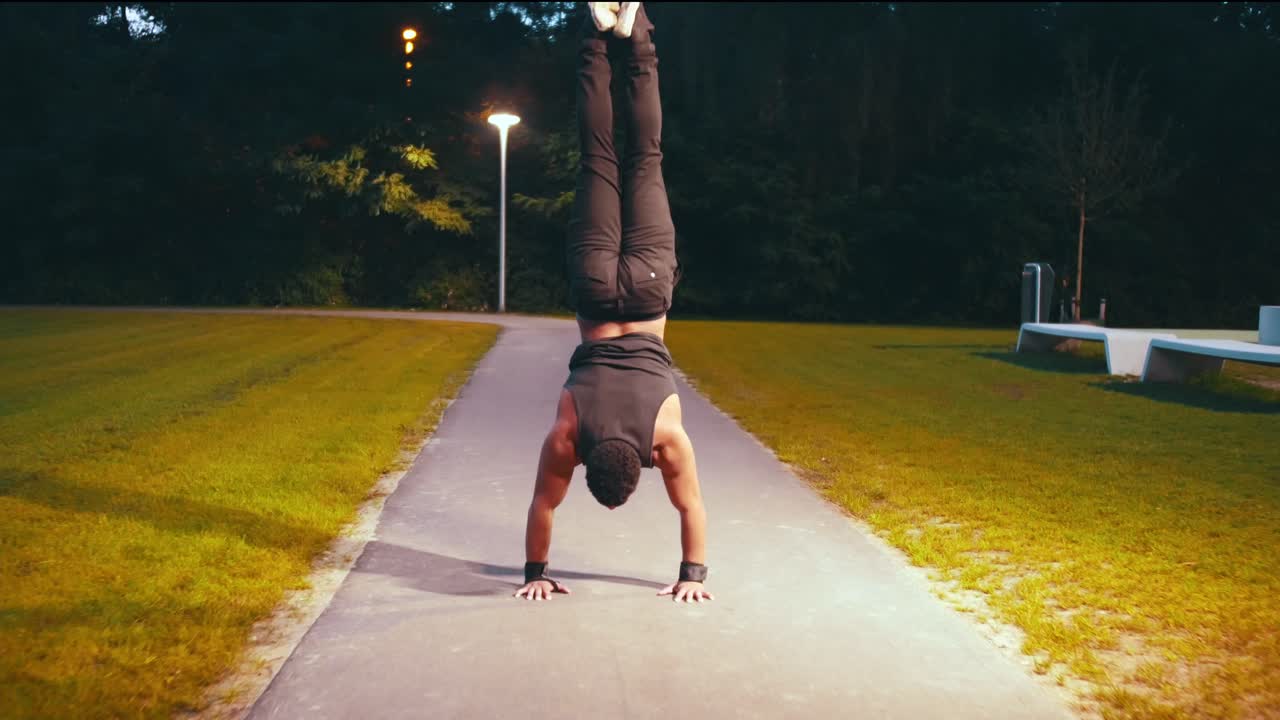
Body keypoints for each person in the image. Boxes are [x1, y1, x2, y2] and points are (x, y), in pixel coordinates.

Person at [514, 2, 713, 604]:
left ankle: (638, 35)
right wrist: (535, 574)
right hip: (597, 290)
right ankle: (600, 32)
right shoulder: (567, 437)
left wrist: (692, 578)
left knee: (645, 157)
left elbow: (693, 507)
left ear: (643, 462)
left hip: (651, 291)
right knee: (598, 155)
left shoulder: (667, 439)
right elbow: (542, 505)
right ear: (590, 460)